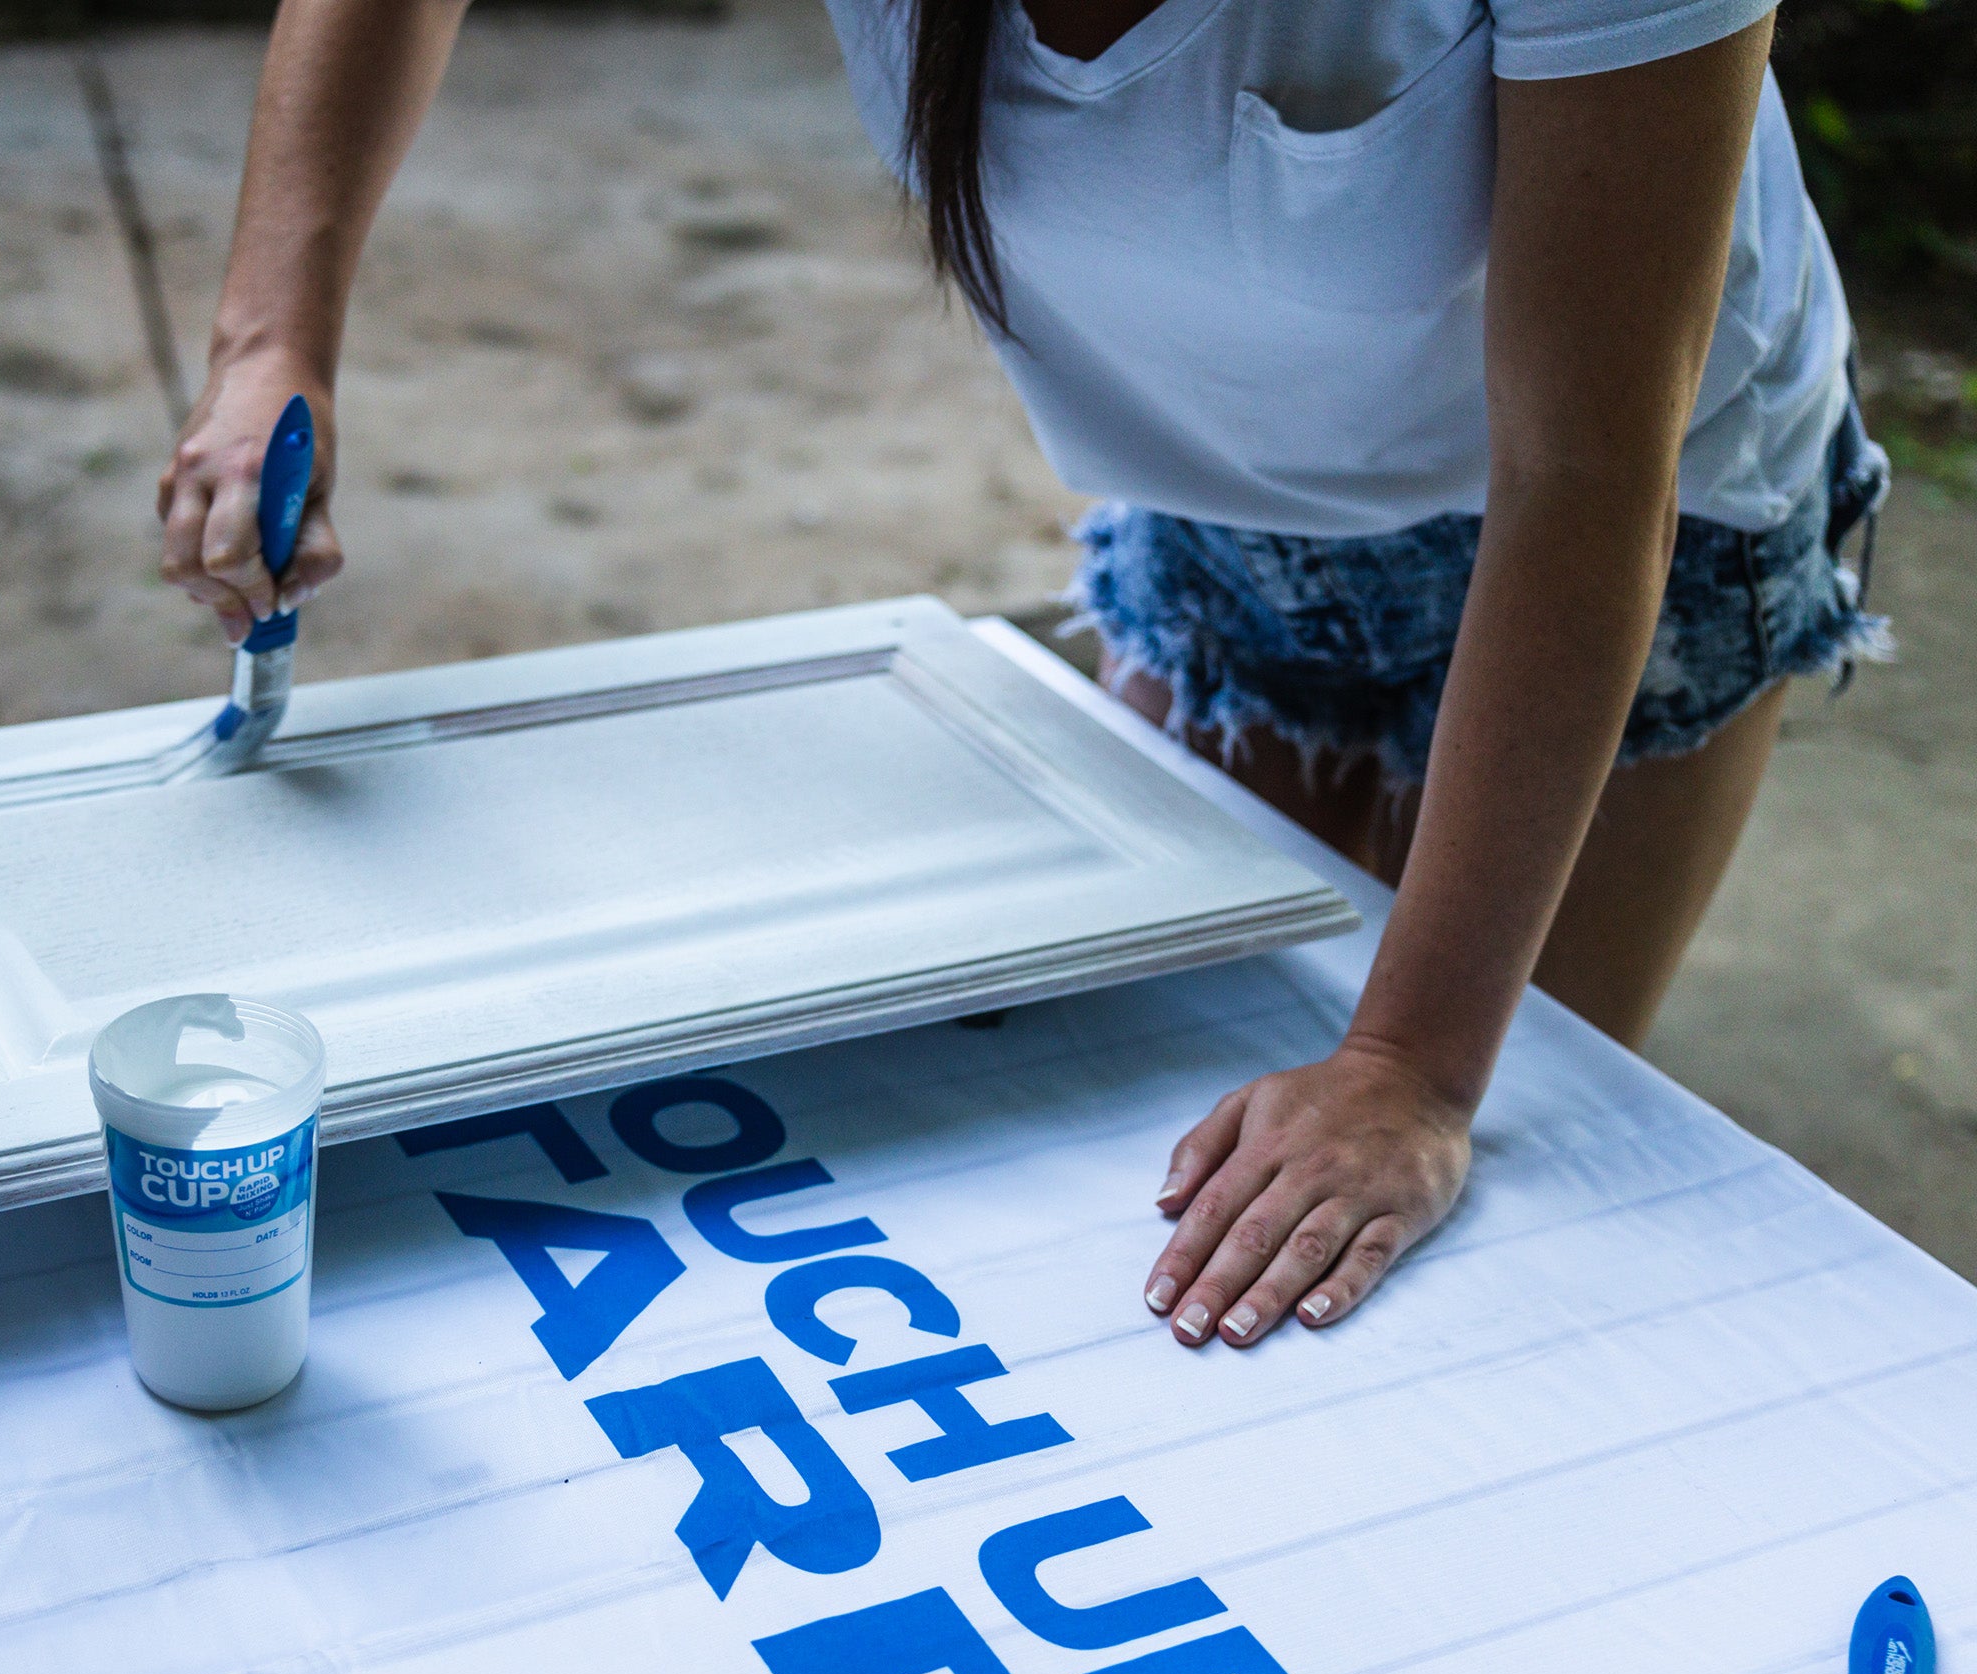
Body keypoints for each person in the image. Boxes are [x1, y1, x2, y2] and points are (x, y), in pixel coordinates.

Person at [159, 0, 1887, 1350]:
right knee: (1154, 1189)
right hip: (1213, 501)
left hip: (1623, 524)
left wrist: (1418, 1069)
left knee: (1451, 1207)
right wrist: (270, 340)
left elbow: (1589, 478)